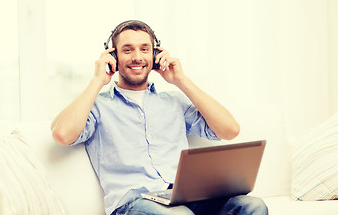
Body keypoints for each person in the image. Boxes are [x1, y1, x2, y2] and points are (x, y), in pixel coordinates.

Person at [51, 20, 268, 215]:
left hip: (188, 198)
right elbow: (62, 134)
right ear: (113, 56)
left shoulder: (173, 101)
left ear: (155, 56)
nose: (137, 57)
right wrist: (97, 80)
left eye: (145, 49)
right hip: (134, 204)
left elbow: (230, 130)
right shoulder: (98, 106)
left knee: (253, 206)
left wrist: (180, 79)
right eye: (127, 50)